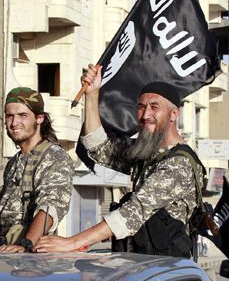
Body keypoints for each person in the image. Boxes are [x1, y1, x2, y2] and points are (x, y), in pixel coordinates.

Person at [36, 64, 205, 258]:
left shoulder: (179, 164)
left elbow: (132, 213)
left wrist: (72, 243)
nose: (145, 115)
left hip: (165, 270)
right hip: (138, 263)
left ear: (174, 114)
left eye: (154, 107)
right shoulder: (148, 153)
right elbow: (97, 146)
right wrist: (91, 95)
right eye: (141, 107)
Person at [0, 87, 74, 253]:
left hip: (29, 263)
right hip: (2, 255)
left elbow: (50, 208)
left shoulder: (53, 156)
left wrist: (26, 245)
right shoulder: (14, 162)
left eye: (22, 115)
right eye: (9, 116)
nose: (14, 122)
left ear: (40, 118)